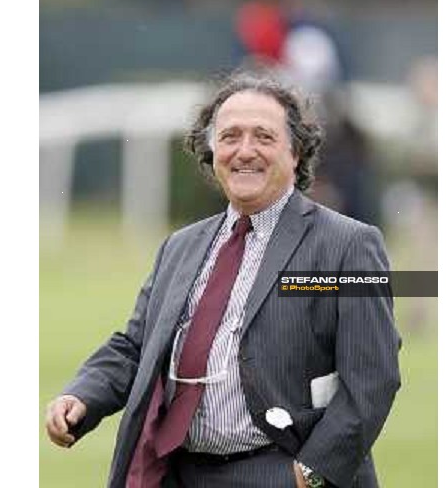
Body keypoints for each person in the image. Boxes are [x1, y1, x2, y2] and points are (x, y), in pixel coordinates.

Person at [45, 70, 401, 488]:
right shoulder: (180, 247)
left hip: (280, 473)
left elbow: (373, 375)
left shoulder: (349, 245)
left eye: (263, 137)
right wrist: (82, 395)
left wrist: (310, 473)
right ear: (212, 150)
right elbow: (136, 347)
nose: (244, 150)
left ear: (297, 153)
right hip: (177, 472)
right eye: (230, 136)